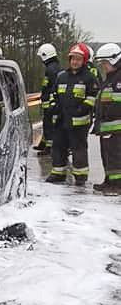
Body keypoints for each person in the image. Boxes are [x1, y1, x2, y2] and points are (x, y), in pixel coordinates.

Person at [46, 42, 98, 186]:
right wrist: (52, 106)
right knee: (58, 146)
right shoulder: (61, 76)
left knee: (78, 148)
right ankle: (58, 173)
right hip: (61, 119)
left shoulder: (89, 78)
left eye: (78, 59)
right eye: (73, 58)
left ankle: (80, 176)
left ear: (84, 61)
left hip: (79, 122)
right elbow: (54, 94)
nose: (75, 62)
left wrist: (82, 109)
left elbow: (93, 97)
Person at [92, 43, 121, 193]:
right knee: (107, 156)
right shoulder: (110, 78)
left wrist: (108, 116)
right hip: (107, 126)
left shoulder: (118, 79)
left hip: (116, 128)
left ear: (114, 60)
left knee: (116, 157)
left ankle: (117, 185)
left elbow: (116, 103)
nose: (103, 66)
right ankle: (109, 181)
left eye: (105, 63)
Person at [35, 42, 62, 154]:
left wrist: (50, 102)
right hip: (51, 103)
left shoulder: (51, 70)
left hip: (51, 105)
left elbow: (51, 88)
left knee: (49, 125)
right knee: (48, 124)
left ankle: (49, 147)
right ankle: (45, 144)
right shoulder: (54, 67)